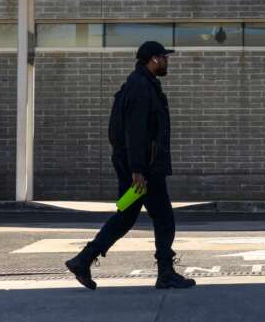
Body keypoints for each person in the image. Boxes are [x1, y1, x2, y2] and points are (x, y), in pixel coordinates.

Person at [64, 41, 196, 290]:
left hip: (137, 166)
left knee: (126, 216)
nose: (167, 62)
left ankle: (83, 260)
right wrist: (138, 170)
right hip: (144, 169)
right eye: (164, 58)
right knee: (164, 217)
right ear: (154, 60)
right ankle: (165, 272)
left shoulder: (140, 84)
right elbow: (135, 132)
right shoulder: (140, 88)